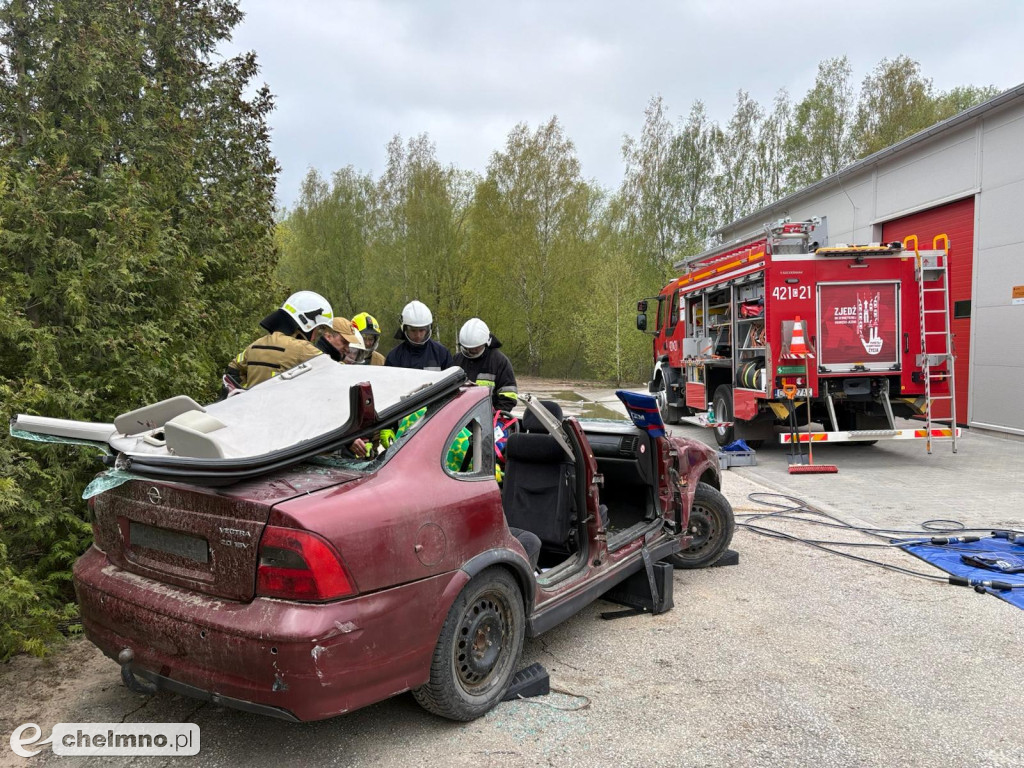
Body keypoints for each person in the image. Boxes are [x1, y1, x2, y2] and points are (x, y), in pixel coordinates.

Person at [224, 291, 334, 391]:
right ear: (306, 323)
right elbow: (335, 372)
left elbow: (232, 370)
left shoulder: (255, 345)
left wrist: (246, 392)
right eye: (317, 329)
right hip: (284, 410)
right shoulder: (303, 348)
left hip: (251, 409)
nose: (314, 337)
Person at [453, 318, 518, 412]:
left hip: (488, 417)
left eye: (476, 348)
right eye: (468, 348)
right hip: (460, 416)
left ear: (486, 343)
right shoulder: (457, 360)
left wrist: (494, 416)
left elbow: (509, 396)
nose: (471, 352)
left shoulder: (499, 361)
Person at [384, 300, 453, 371]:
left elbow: (452, 380)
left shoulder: (441, 354)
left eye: (421, 330)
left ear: (428, 329)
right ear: (404, 329)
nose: (418, 335)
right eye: (413, 330)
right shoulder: (394, 357)